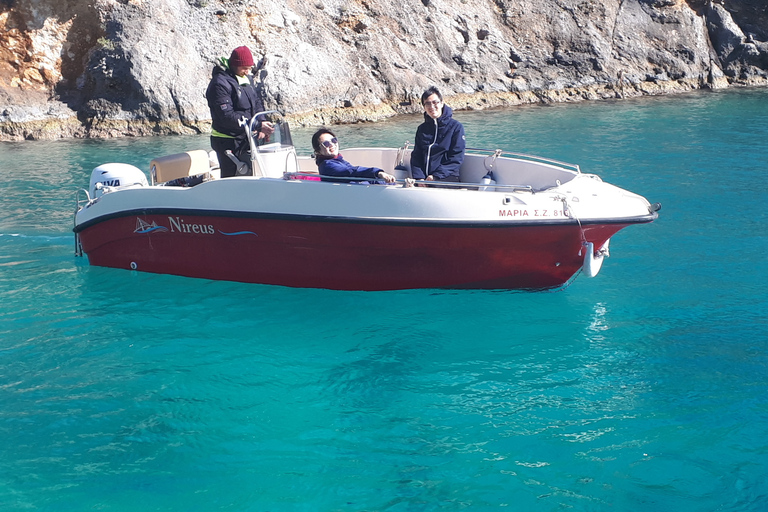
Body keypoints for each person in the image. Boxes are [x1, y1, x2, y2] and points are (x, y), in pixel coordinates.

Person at [205, 46, 275, 178]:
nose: (248, 72)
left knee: (251, 174)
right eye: (244, 68)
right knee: (233, 178)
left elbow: (257, 102)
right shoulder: (219, 83)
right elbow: (226, 116)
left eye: (249, 68)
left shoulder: (245, 78)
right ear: (234, 65)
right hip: (227, 140)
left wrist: (262, 121)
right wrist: (256, 125)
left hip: (246, 137)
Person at [409, 86, 465, 182]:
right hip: (425, 179)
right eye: (427, 103)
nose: (432, 107)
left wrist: (435, 176)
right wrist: (419, 178)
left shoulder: (455, 127)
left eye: (435, 102)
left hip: (447, 177)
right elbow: (416, 156)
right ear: (424, 107)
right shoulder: (422, 129)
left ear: (442, 103)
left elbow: (456, 157)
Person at [311, 128, 397, 184]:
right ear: (318, 150)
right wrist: (378, 173)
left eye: (334, 140)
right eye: (326, 143)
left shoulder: (338, 160)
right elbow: (352, 171)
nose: (332, 145)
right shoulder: (328, 166)